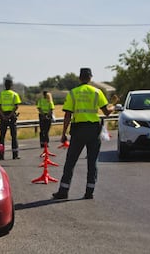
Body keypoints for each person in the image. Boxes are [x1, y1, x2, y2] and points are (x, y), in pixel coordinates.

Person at [52, 67, 114, 200]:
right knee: (92, 162)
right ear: (90, 78)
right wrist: (114, 106)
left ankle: (63, 191)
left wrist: (63, 133)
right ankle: (89, 192)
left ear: (79, 78)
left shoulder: (73, 93)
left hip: (78, 130)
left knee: (70, 162)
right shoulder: (97, 92)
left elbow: (68, 114)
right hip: (93, 130)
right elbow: (107, 112)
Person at [0, 78, 22, 160]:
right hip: (11, 116)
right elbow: (16, 106)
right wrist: (10, 115)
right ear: (11, 85)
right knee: (13, 136)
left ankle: (1, 155)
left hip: (3, 116)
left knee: (2, 136)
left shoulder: (0, 94)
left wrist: (3, 115)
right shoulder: (14, 94)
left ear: (4, 85)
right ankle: (15, 155)